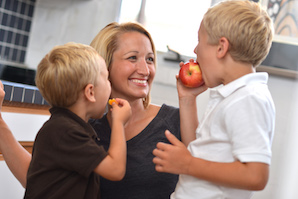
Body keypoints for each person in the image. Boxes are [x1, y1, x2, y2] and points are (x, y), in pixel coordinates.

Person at [0, 22, 181, 199]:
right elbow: (40, 178)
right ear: (104, 67)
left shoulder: (174, 120)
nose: (145, 70)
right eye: (132, 57)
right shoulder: (80, 127)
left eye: (150, 59)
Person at [152, 1, 275, 199]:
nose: (195, 50)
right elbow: (198, 151)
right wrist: (187, 100)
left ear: (221, 48)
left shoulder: (249, 99)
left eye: (199, 41)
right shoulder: (232, 96)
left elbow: (256, 175)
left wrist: (187, 164)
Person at [23, 42, 131, 199]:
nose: (111, 85)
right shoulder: (64, 131)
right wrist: (119, 123)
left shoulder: (64, 126)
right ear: (90, 92)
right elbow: (115, 170)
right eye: (107, 79)